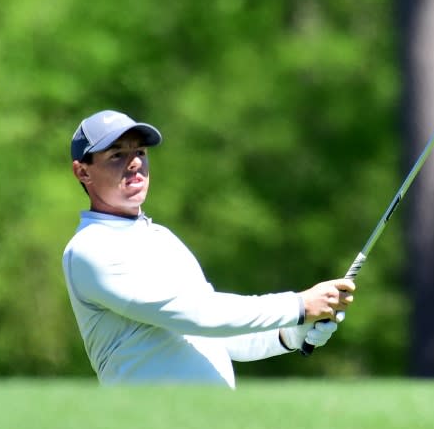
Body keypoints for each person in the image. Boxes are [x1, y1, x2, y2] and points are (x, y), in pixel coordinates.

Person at [62, 110, 355, 388]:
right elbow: (199, 315)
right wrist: (298, 306)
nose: (135, 163)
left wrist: (291, 331)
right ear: (82, 172)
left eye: (140, 152)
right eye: (117, 155)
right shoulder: (90, 249)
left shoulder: (161, 238)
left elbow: (217, 337)